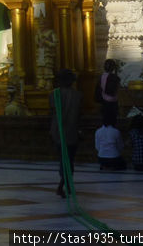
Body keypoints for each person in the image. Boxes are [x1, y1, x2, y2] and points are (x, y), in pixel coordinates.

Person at [50, 69, 82, 198]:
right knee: (69, 159)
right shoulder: (78, 95)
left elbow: (52, 111)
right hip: (72, 130)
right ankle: (65, 186)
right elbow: (80, 115)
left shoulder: (53, 94)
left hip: (58, 130)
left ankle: (65, 185)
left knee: (64, 158)